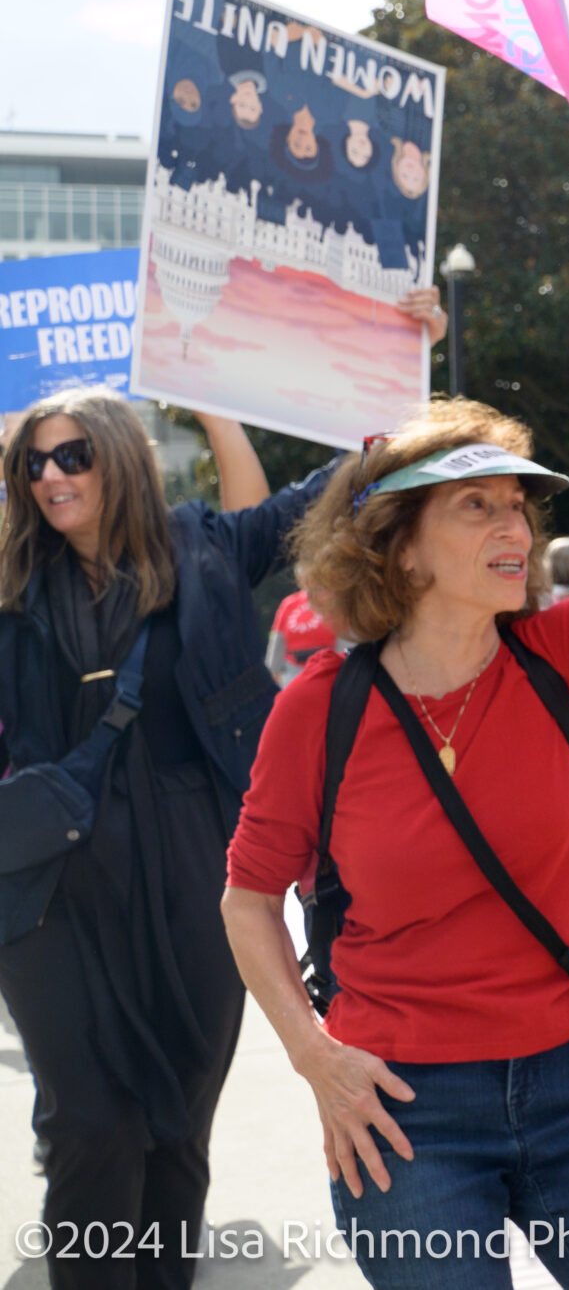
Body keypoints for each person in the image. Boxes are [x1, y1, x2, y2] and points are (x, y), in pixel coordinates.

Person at [222, 297, 569, 1289]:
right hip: (402, 1108)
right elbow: (246, 896)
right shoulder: (320, 707)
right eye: (476, 504)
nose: (515, 525)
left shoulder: (558, 654)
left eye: (518, 503)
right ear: (402, 546)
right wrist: (312, 1055)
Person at [0, 400, 330, 1290]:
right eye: (32, 464)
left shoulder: (206, 550)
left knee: (179, 1124)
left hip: (198, 873)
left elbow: (346, 483)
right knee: (92, 1123)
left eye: (71, 455)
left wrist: (397, 353)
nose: (51, 476)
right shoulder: (10, 579)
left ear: (119, 457)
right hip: (46, 887)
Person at [268, 585, 338, 685]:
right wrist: (273, 670)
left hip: (330, 671)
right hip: (294, 672)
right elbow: (277, 644)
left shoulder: (336, 600)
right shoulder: (289, 603)